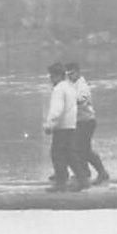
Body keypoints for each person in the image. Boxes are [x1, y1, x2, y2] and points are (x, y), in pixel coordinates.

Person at [42, 62, 88, 191]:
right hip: (71, 125)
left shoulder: (59, 89)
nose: (50, 79)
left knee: (57, 154)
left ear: (56, 76)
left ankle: (61, 183)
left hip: (61, 127)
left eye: (51, 76)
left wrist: (49, 124)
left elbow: (57, 110)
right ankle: (83, 179)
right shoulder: (70, 87)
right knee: (70, 155)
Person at [66, 62, 109, 184]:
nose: (70, 76)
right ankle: (84, 172)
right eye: (67, 74)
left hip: (87, 121)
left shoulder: (82, 85)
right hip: (77, 122)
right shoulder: (70, 85)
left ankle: (102, 172)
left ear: (78, 72)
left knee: (84, 149)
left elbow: (81, 100)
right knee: (76, 148)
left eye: (72, 73)